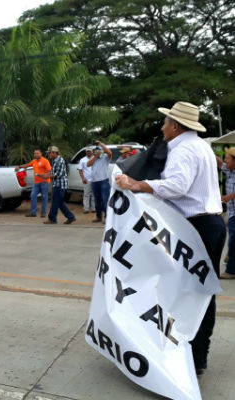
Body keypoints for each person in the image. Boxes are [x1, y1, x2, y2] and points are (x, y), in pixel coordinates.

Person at [115, 101, 225, 375]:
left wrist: (137, 185)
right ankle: (195, 353)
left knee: (191, 292)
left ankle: (192, 355)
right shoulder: (201, 146)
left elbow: (178, 185)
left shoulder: (184, 149)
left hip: (196, 227)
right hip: (206, 225)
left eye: (165, 123)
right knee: (198, 292)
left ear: (176, 126)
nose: (162, 128)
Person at [42, 146, 76, 225]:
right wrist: (45, 176)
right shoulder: (55, 160)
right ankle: (70, 217)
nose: (49, 155)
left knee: (55, 202)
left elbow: (58, 174)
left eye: (50, 153)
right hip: (57, 184)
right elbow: (52, 171)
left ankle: (52, 219)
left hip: (60, 185)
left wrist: (47, 176)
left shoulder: (59, 161)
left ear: (54, 153)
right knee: (59, 202)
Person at [215, 148, 235, 279]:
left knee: (233, 240)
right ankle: (230, 256)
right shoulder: (230, 171)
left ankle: (231, 271)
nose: (225, 160)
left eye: (227, 158)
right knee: (232, 237)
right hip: (232, 212)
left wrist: (230, 196)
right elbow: (218, 163)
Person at [15, 150, 51, 218]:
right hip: (36, 183)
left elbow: (49, 171)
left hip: (44, 182)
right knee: (33, 196)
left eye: (37, 153)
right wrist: (19, 167)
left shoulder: (45, 161)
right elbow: (27, 165)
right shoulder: (34, 161)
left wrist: (44, 179)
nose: (36, 154)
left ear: (41, 154)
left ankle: (43, 213)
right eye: (35, 153)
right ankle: (33, 212)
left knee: (44, 197)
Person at [87, 140, 112, 223]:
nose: (97, 152)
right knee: (97, 201)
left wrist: (101, 144)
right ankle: (98, 216)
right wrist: (95, 156)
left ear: (102, 151)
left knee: (105, 200)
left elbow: (110, 153)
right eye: (96, 151)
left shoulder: (105, 157)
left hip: (103, 181)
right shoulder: (93, 158)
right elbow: (88, 164)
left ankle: (107, 217)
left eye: (99, 151)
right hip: (94, 182)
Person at [78, 148, 96, 214]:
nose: (88, 153)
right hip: (86, 180)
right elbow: (80, 170)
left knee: (94, 195)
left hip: (95, 179)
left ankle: (94, 208)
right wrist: (83, 178)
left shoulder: (95, 158)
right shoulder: (82, 160)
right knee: (86, 194)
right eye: (87, 152)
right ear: (86, 152)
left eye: (90, 151)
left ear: (92, 152)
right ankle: (86, 209)